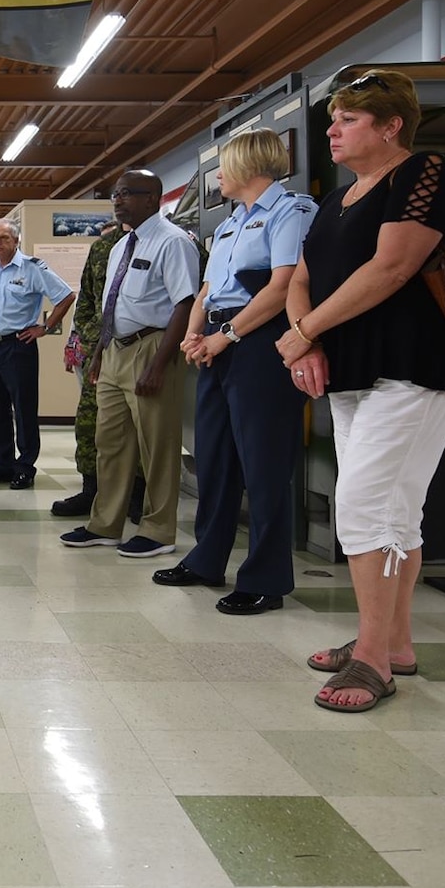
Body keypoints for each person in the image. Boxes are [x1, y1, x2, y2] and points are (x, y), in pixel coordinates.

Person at [271, 73, 445, 670]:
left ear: (391, 126)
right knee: (394, 511)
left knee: (363, 506)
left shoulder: (423, 172)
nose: (332, 130)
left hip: (412, 368)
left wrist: (303, 333)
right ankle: (393, 644)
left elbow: (392, 268)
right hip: (352, 371)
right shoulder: (338, 198)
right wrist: (306, 344)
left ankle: (371, 657)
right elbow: (301, 278)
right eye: (334, 119)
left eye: (349, 120)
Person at [153, 130, 317, 615]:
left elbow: (282, 284)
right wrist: (195, 333)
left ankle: (266, 578)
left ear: (249, 166)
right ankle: (207, 558)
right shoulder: (229, 224)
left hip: (260, 342)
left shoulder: (292, 211)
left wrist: (227, 336)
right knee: (215, 457)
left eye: (223, 166)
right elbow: (208, 288)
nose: (217, 175)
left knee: (263, 465)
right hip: (219, 342)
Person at [61, 170, 198, 557]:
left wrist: (159, 364)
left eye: (127, 194)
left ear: (152, 198)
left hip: (151, 347)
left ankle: (157, 530)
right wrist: (100, 355)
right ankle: (105, 524)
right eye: (115, 194)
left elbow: (185, 304)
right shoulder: (121, 245)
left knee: (157, 445)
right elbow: (111, 304)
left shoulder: (173, 243)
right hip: (115, 351)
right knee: (110, 442)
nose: (118, 200)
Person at [0, 218, 74, 489]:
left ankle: (25, 466)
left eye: (2, 238)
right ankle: (3, 463)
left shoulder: (32, 268)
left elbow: (65, 296)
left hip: (19, 345)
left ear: (16, 241)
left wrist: (45, 328)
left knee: (24, 408)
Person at [52, 222, 129, 518]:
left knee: (136, 426)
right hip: (97, 352)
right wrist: (81, 340)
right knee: (88, 424)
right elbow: (84, 300)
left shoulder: (168, 241)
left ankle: (137, 495)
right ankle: (91, 490)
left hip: (140, 346)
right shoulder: (101, 250)